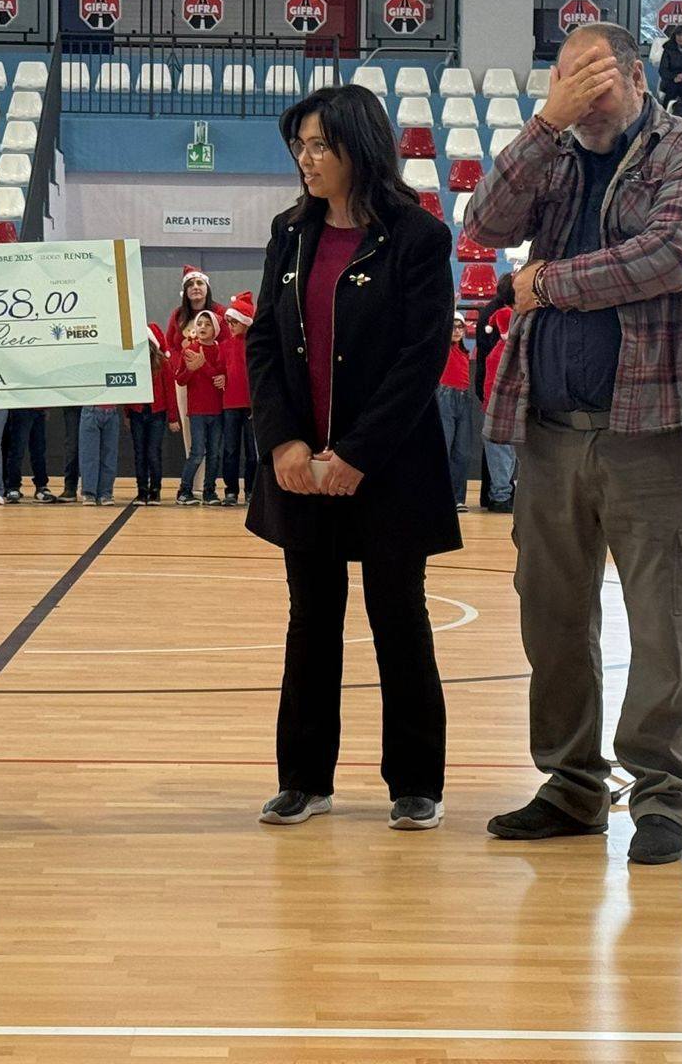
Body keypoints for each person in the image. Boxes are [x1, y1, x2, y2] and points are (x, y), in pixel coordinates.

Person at [463, 21, 682, 865]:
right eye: (565, 75)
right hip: (549, 429)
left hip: (655, 430)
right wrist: (543, 126)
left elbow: (667, 258)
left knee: (662, 625)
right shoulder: (555, 154)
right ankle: (572, 785)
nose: (579, 89)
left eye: (595, 73)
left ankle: (660, 796)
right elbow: (484, 222)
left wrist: (545, 283)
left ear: (636, 75)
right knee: (551, 618)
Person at [245, 83, 458, 832]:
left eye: (319, 146)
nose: (305, 159)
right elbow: (263, 341)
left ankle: (416, 783)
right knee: (311, 620)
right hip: (301, 468)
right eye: (299, 146)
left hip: (388, 468)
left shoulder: (419, 237)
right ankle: (304, 779)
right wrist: (283, 441)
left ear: (358, 149)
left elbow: (421, 356)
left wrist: (358, 452)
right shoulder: (289, 232)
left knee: (399, 618)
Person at [172, 308, 225, 506]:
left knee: (214, 454)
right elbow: (180, 379)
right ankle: (184, 490)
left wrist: (208, 368)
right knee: (197, 452)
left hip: (217, 411)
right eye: (200, 324)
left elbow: (220, 375)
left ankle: (209, 492)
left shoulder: (220, 350)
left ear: (215, 329)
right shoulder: (189, 350)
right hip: (197, 412)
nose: (202, 327)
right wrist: (191, 370)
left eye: (208, 324)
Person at [219, 292, 257, 506]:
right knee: (230, 450)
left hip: (251, 406)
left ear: (245, 321)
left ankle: (251, 490)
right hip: (230, 405)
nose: (231, 326)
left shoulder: (255, 346)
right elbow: (218, 370)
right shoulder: (225, 345)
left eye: (234, 322)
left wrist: (256, 404)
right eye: (229, 322)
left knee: (252, 452)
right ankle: (231, 491)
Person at [436, 311, 476, 511]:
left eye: (461, 327)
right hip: (445, 396)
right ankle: (439, 496)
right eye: (453, 326)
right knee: (445, 446)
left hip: (464, 397)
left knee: (462, 452)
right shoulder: (441, 349)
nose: (458, 331)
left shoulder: (463, 353)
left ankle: (457, 498)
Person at [128, 323, 171, 506]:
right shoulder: (133, 363)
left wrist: (173, 417)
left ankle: (155, 489)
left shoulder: (162, 363)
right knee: (140, 453)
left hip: (157, 414)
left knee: (153, 452)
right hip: (137, 413)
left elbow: (169, 391)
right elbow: (129, 389)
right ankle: (141, 490)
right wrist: (127, 413)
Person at [480, 305, 516, 514]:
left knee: (504, 454)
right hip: (500, 407)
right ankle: (501, 495)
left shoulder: (499, 350)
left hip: (497, 406)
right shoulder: (505, 352)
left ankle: (502, 493)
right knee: (502, 454)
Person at [3, 407, 53, 504]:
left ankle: (41, 487)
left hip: (39, 409)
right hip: (20, 409)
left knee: (39, 450)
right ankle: (12, 487)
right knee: (17, 450)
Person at [78, 400, 121, 506]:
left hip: (112, 411)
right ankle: (89, 492)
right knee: (89, 453)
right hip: (91, 409)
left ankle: (105, 492)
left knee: (110, 454)